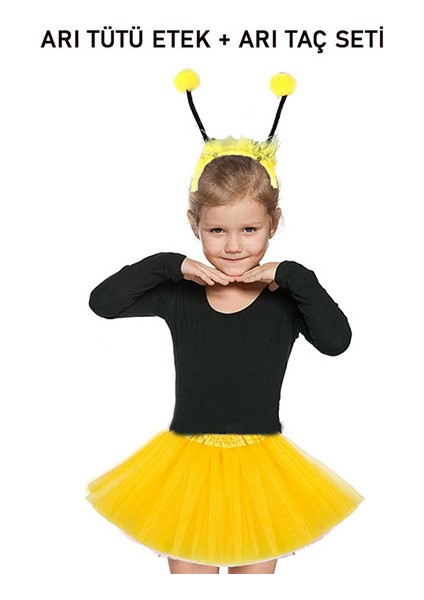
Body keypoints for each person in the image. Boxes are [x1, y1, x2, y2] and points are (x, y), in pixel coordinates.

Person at [86, 70, 364, 575]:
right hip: (184, 465)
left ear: (273, 225)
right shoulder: (181, 295)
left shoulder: (286, 297)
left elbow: (336, 341)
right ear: (195, 226)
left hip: (263, 467)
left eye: (249, 229)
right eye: (216, 231)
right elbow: (103, 303)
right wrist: (169, 265)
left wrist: (293, 275)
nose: (234, 245)